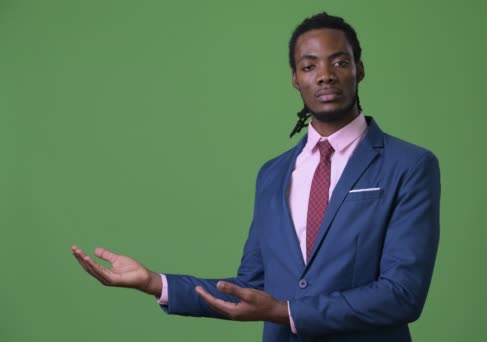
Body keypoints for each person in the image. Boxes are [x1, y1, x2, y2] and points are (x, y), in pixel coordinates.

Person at [72, 12, 441, 342]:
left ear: (359, 69)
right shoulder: (274, 174)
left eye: (339, 62)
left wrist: (285, 312)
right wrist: (155, 283)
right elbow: (252, 287)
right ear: (295, 79)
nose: (325, 75)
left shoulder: (409, 165)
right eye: (309, 66)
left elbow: (402, 294)